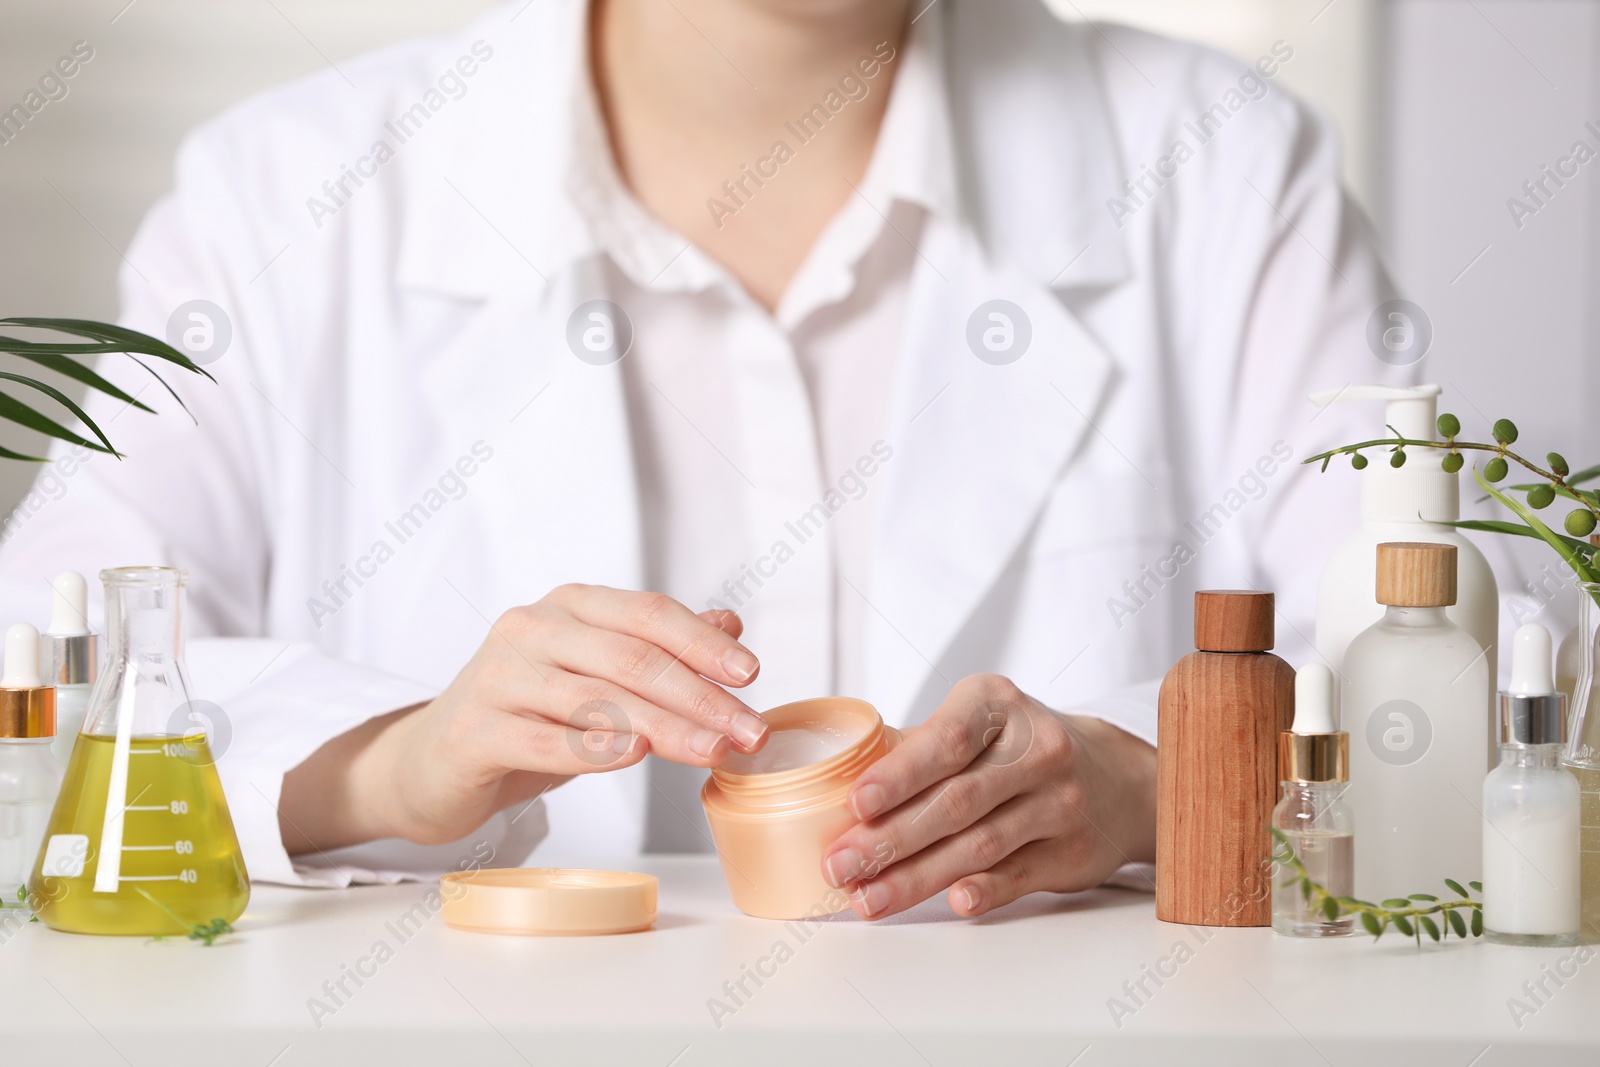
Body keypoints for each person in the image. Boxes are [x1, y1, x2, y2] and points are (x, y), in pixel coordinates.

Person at [0, 0, 1402, 920]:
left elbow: (1484, 664)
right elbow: (32, 686)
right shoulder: (280, 198)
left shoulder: (1219, 170)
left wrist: (1162, 786)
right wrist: (388, 769)